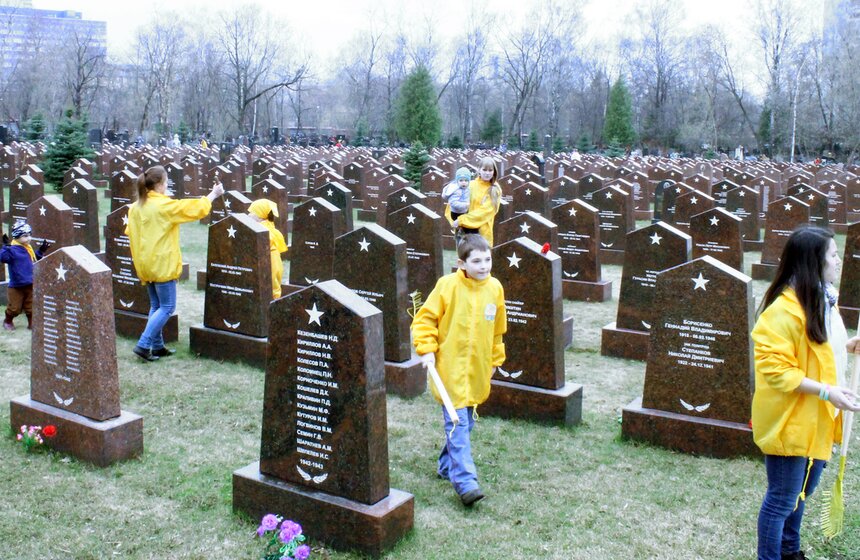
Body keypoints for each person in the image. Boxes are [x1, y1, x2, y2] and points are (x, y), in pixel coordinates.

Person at [751, 226, 860, 560]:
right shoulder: (781, 312)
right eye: (832, 254)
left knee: (801, 493)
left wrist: (848, 345)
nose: (838, 260)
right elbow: (778, 370)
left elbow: (818, 349)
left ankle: (789, 550)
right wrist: (827, 392)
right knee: (782, 499)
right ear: (815, 261)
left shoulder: (823, 300)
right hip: (791, 420)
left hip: (817, 418)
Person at [411, 234, 507, 506]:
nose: (484, 265)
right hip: (450, 370)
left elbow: (498, 331)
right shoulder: (447, 286)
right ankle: (465, 482)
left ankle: (445, 466)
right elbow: (425, 320)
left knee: (466, 422)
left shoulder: (495, 289)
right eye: (476, 261)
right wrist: (426, 347)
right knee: (458, 423)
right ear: (461, 263)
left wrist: (494, 363)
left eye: (487, 259)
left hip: (477, 370)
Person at [125, 165, 224, 361]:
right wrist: (213, 194)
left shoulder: (136, 207)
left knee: (156, 305)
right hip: (161, 263)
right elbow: (192, 209)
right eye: (167, 181)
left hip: (145, 263)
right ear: (160, 184)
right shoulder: (162, 206)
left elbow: (130, 232)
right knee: (167, 307)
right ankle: (143, 345)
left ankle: (158, 346)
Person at [1, 221, 49, 330]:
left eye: (30, 235)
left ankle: (32, 322)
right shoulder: (12, 250)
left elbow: (33, 260)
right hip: (16, 286)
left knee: (31, 305)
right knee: (15, 308)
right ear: (17, 237)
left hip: (31, 283)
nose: (29, 238)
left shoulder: (28, 248)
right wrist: (5, 247)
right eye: (25, 236)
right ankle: (8, 320)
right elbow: (3, 258)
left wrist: (41, 250)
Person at [449, 157, 502, 246]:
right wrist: (455, 220)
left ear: (494, 172)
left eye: (490, 170)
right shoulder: (469, 184)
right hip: (463, 230)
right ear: (479, 170)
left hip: (482, 233)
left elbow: (485, 212)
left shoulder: (495, 190)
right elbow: (453, 203)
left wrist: (461, 220)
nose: (487, 173)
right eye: (484, 170)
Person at [247, 198, 287, 299]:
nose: (248, 215)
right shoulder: (268, 228)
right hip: (272, 266)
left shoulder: (264, 232)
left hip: (270, 266)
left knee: (271, 291)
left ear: (260, 216)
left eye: (252, 212)